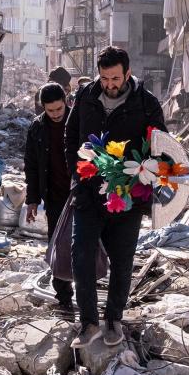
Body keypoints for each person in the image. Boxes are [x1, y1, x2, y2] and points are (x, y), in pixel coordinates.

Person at [66, 45, 166, 348]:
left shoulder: (146, 103)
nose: (110, 84)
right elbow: (71, 138)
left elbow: (160, 145)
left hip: (128, 195)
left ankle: (113, 320)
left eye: (115, 78)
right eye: (105, 77)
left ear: (128, 74)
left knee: (122, 260)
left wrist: (139, 176)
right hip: (88, 193)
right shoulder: (85, 96)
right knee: (80, 253)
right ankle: (88, 322)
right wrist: (79, 174)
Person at [24, 82, 74, 312]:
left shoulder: (78, 121)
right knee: (57, 245)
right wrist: (32, 199)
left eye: (59, 109)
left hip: (79, 194)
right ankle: (64, 297)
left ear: (66, 103)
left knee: (84, 245)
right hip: (54, 197)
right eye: (50, 110)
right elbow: (31, 165)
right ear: (43, 107)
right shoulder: (37, 128)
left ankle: (87, 293)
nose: (55, 114)